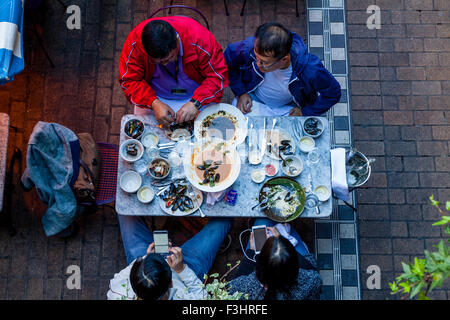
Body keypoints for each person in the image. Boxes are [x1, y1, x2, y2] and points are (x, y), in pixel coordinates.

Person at [119, 16, 229, 126]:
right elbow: (129, 81)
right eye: (159, 62)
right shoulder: (135, 45)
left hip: (198, 94)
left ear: (177, 41)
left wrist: (196, 102)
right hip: (155, 96)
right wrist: (153, 102)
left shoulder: (200, 39)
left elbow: (218, 75)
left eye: (170, 58)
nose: (165, 64)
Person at [224, 22, 341, 117]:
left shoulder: (311, 69)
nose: (257, 63)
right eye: (256, 57)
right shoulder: (249, 47)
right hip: (253, 99)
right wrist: (241, 92)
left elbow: (333, 93)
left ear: (284, 59)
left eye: (264, 62)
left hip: (290, 109)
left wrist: (306, 112)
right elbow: (228, 61)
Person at [107, 216, 233, 300]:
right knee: (224, 222)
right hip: (186, 272)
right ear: (171, 284)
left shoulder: (117, 294)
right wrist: (181, 269)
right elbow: (203, 296)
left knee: (126, 215)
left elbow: (117, 279)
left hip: (147, 260)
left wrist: (147, 258)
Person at [227, 218, 322, 300]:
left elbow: (238, 280)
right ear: (295, 266)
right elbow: (311, 265)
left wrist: (251, 253)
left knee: (261, 220)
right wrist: (282, 239)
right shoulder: (312, 281)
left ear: (259, 265)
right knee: (287, 226)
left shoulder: (241, 288)